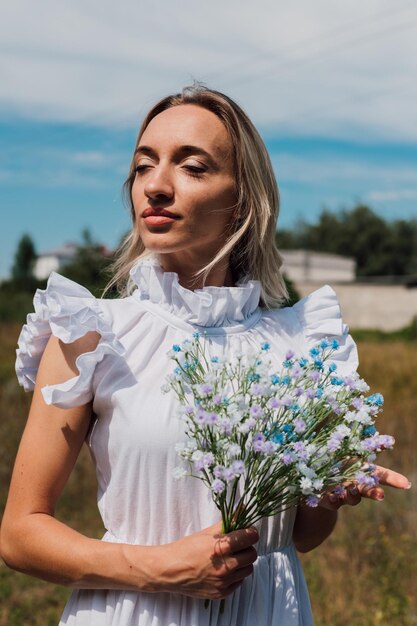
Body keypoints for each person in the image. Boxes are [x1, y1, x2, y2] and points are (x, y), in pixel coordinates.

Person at [0, 84, 410, 626]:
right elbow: (20, 535)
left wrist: (328, 495)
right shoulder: (92, 333)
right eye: (144, 167)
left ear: (243, 198)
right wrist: (160, 568)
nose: (157, 186)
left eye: (192, 167)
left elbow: (299, 538)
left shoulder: (301, 346)